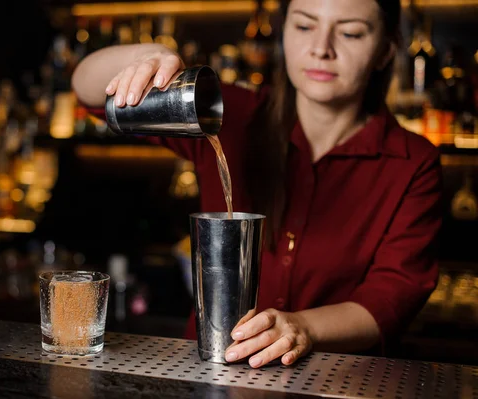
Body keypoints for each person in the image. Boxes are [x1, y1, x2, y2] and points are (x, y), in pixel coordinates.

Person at [72, 0, 442, 369]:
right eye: (304, 26)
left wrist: (303, 326)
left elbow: (390, 298)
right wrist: (148, 55)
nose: (321, 48)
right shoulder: (227, 113)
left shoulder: (412, 162)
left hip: (328, 380)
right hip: (206, 371)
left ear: (385, 51)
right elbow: (86, 89)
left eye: (349, 32)